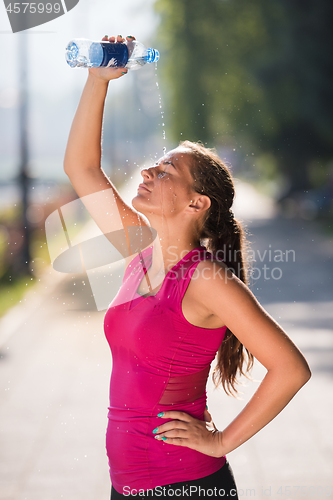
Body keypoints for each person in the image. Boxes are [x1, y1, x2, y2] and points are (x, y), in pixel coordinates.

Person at [63, 35, 311, 500]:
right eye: (152, 167)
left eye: (165, 171)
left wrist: (221, 441)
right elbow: (81, 169)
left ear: (197, 202)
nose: (146, 174)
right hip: (129, 485)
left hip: (184, 486)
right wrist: (98, 81)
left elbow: (291, 368)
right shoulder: (140, 251)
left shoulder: (206, 278)